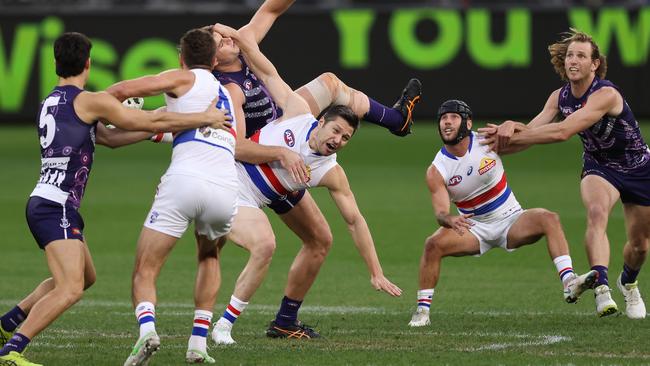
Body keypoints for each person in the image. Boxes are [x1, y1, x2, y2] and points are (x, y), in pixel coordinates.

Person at [0, 32, 232, 366]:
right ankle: (13, 350)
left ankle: (8, 322)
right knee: (70, 288)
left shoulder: (49, 102)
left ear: (55, 64)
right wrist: (203, 119)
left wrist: (164, 130)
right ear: (89, 64)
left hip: (49, 201)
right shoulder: (90, 100)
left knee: (85, 277)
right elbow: (151, 118)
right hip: (56, 206)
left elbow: (108, 138)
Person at [205, 0, 420, 343]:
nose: (227, 37)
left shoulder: (246, 47)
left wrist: (375, 272)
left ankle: (284, 321)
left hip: (283, 144)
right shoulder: (213, 83)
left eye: (344, 137)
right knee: (215, 245)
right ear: (211, 57)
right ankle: (206, 313)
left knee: (319, 240)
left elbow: (270, 12)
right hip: (252, 151)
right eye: (219, 39)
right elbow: (232, 142)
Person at [479, 29, 649, 319]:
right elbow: (531, 133)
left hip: (638, 168)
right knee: (596, 212)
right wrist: (502, 138)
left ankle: (629, 283)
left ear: (594, 64)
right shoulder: (559, 97)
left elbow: (562, 132)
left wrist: (516, 133)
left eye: (581, 56)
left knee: (640, 244)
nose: (573, 60)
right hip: (600, 166)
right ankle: (602, 289)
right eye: (570, 54)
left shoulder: (606, 94)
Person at [105, 28, 240, 365]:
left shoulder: (179, 78)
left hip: (184, 180)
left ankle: (147, 331)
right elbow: (184, 130)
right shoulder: (227, 97)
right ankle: (197, 343)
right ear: (213, 60)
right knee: (209, 256)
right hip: (225, 186)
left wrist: (97, 105)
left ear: (182, 60)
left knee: (145, 269)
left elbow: (122, 89)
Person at [407, 99, 597, 327]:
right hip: (474, 227)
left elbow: (531, 135)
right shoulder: (437, 169)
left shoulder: (487, 140)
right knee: (432, 245)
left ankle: (569, 283)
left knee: (549, 218)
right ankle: (422, 312)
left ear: (467, 123)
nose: (446, 123)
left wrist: (512, 124)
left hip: (511, 219)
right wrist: (448, 219)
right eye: (443, 119)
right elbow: (440, 212)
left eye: (453, 117)